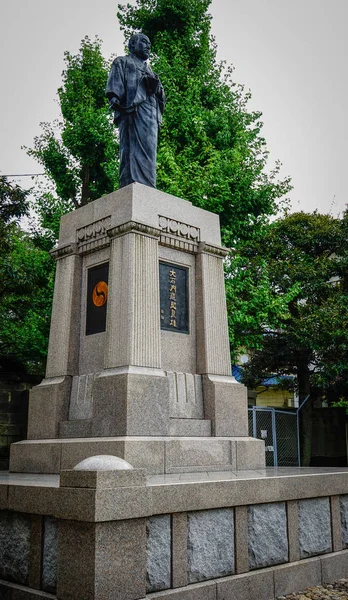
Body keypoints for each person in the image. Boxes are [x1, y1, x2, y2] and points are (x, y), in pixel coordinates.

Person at [106, 33, 165, 189]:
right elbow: (114, 87)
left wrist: (157, 89)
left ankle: (148, 185)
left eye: (149, 44)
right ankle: (132, 183)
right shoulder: (122, 62)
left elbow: (160, 96)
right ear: (132, 45)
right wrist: (114, 97)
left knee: (149, 151)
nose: (148, 46)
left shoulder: (151, 71)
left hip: (150, 114)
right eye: (144, 42)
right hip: (133, 111)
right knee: (131, 149)